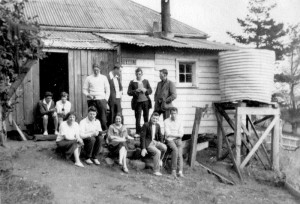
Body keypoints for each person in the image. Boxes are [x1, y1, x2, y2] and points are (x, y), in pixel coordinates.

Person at [83, 63, 110, 131]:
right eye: (94, 70)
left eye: (97, 70)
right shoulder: (88, 78)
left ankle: (104, 134)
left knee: (103, 119)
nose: (96, 71)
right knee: (93, 118)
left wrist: (105, 100)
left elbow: (108, 90)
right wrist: (88, 95)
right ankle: (93, 134)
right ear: (93, 69)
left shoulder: (104, 78)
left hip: (101, 100)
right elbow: (84, 89)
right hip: (92, 100)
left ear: (100, 69)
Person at [127, 68, 152, 135]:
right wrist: (135, 91)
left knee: (146, 117)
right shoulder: (132, 82)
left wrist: (146, 90)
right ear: (135, 74)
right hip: (137, 102)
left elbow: (150, 90)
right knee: (138, 118)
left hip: (146, 101)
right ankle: (138, 132)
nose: (138, 75)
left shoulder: (145, 81)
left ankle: (146, 132)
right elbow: (129, 92)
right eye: (137, 74)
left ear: (142, 74)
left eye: (139, 74)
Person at [164, 107, 184, 178]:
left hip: (178, 140)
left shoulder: (180, 121)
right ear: (170, 114)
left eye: (175, 113)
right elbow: (167, 134)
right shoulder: (166, 121)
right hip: (170, 140)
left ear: (177, 113)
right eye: (172, 113)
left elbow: (181, 133)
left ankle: (180, 172)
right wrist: (177, 135)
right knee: (175, 150)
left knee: (180, 154)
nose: (173, 115)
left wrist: (175, 135)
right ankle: (173, 171)